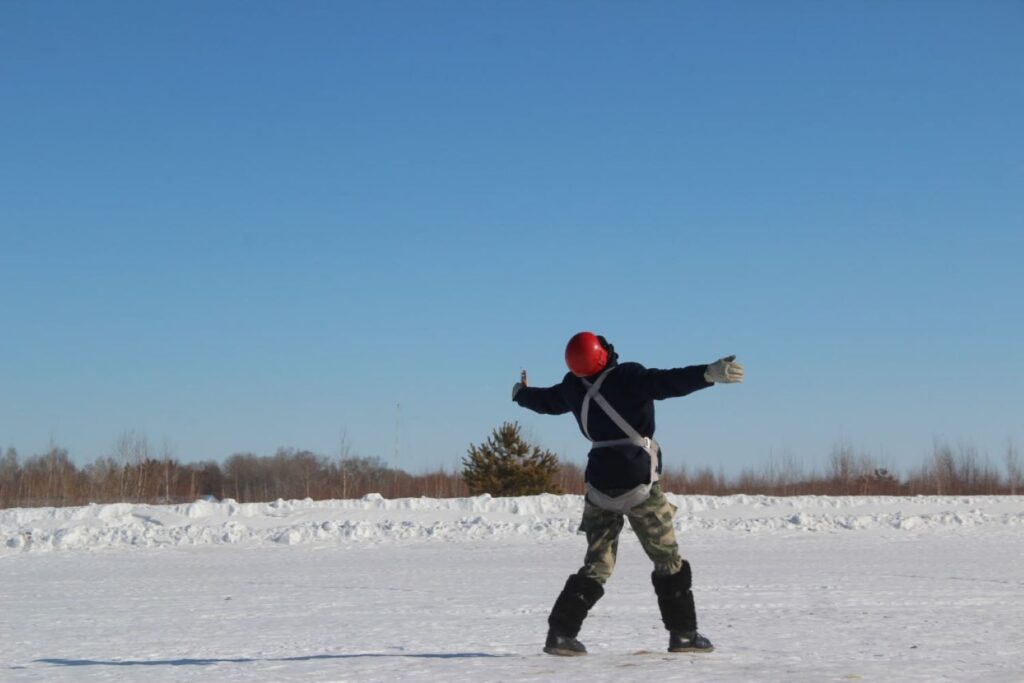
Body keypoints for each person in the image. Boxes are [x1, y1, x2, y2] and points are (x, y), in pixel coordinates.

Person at [512, 331, 743, 656]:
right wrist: (708, 373)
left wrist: (521, 394)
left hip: (599, 485)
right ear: (603, 354)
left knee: (597, 564)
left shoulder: (571, 387)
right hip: (639, 484)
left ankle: (561, 634)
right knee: (668, 560)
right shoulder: (628, 376)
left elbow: (545, 402)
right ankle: (684, 635)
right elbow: (668, 383)